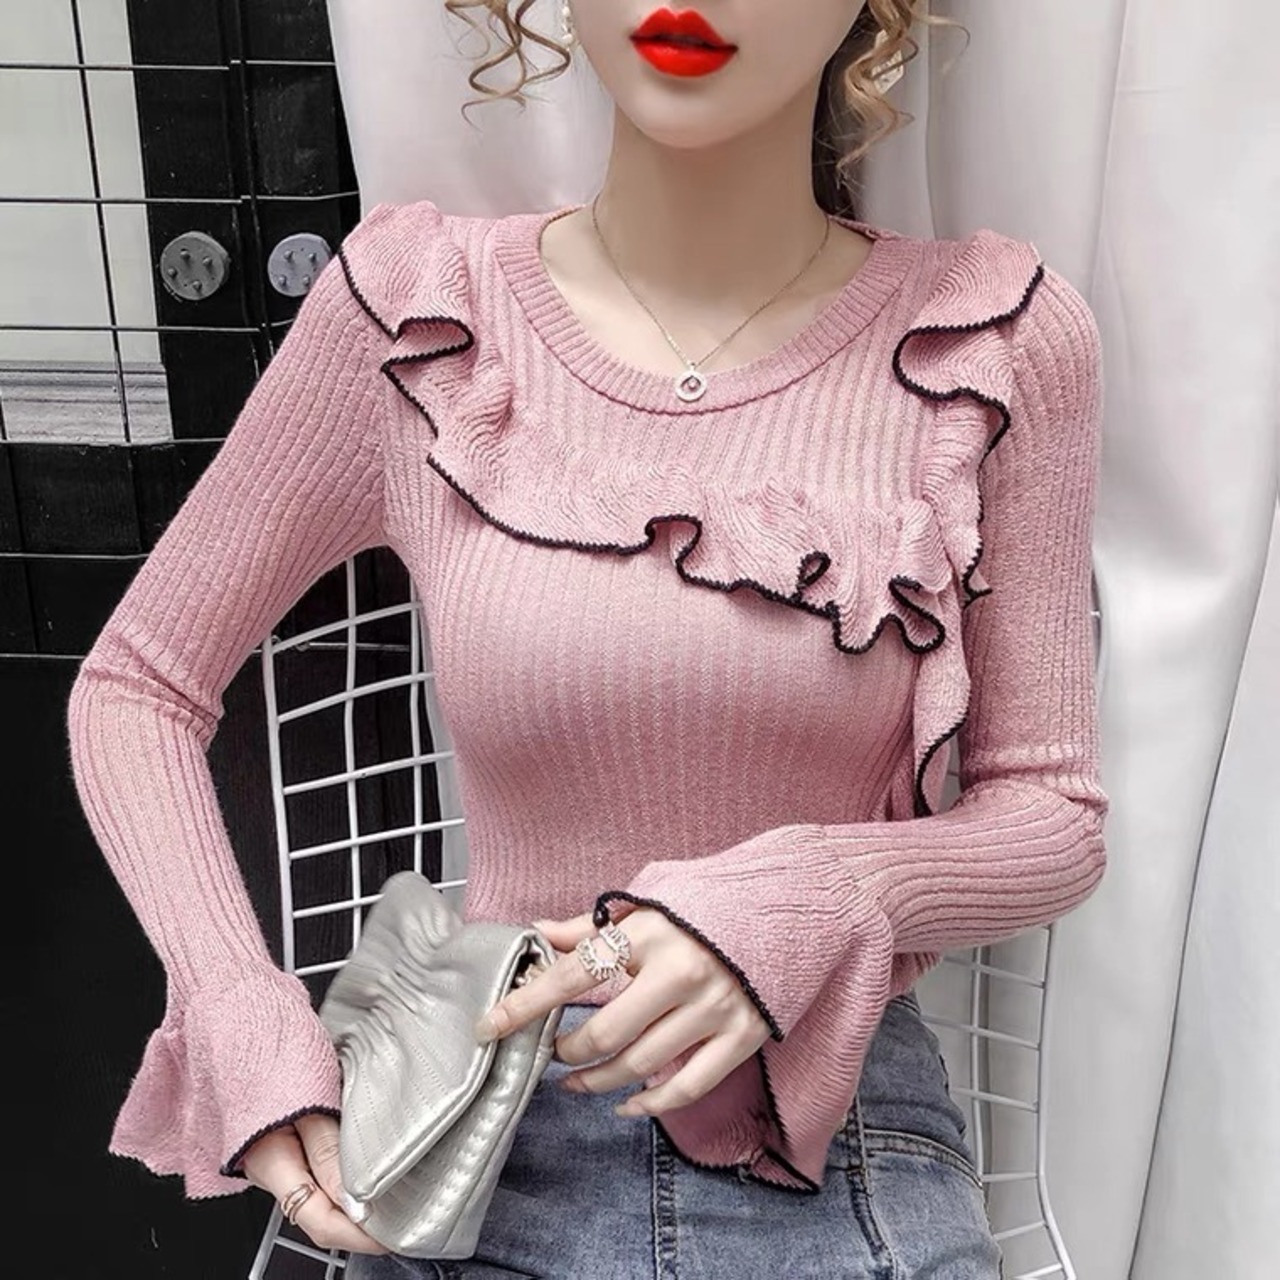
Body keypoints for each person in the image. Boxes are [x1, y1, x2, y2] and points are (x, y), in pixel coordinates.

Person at [66, 1, 1110, 1275]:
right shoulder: (418, 313)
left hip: (833, 1142)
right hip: (481, 1139)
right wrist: (239, 1010)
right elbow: (138, 684)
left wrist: (821, 890)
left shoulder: (990, 338)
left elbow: (1048, 811)